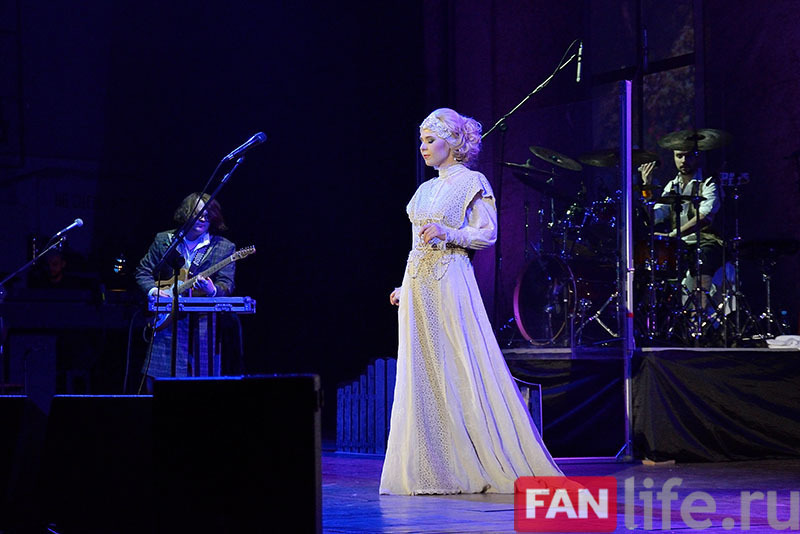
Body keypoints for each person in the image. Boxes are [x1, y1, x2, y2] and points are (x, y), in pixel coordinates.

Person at [379, 108, 563, 495]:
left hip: (450, 278)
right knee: (422, 371)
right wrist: (404, 286)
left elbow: (487, 233)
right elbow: (417, 245)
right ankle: (433, 467)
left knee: (457, 362)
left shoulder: (472, 181)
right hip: (419, 284)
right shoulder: (424, 190)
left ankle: (472, 459)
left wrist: (449, 232)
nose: (423, 147)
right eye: (422, 140)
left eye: (431, 140)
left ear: (452, 143)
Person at [134, 193, 236, 390]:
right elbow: (143, 271)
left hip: (203, 329)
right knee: (157, 387)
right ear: (186, 213)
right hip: (166, 325)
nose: (203, 219)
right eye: (198, 214)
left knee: (199, 389)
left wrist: (213, 290)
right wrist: (153, 290)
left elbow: (227, 284)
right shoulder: (165, 240)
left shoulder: (224, 247)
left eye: (208, 215)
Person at [640, 148, 723, 309]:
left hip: (707, 241)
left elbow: (704, 217)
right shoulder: (672, 186)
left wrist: (673, 235)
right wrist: (646, 188)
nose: (684, 160)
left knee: (702, 257)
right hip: (680, 244)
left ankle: (699, 314)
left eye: (688, 155)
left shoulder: (708, 182)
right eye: (679, 156)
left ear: (696, 155)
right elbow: (653, 218)